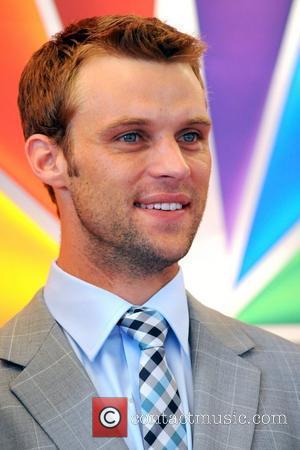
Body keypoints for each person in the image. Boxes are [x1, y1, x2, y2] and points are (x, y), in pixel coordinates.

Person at [0, 15, 299, 450]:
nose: (176, 166)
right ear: (50, 160)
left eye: (191, 135)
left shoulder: (291, 376)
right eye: (132, 136)